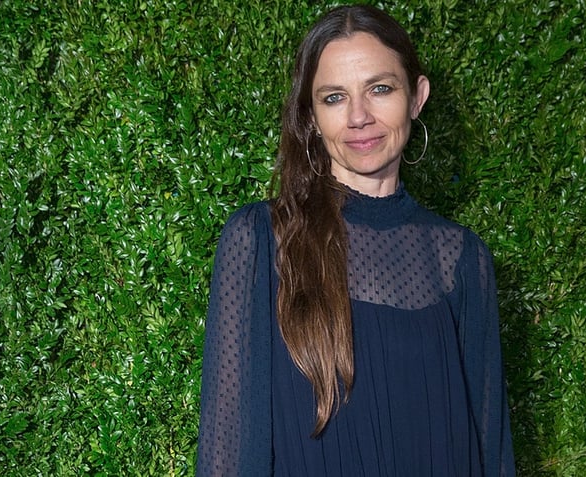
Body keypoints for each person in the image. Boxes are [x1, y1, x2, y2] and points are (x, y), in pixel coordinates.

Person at [196, 4, 515, 476]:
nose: (359, 117)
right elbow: (224, 453)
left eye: (380, 89)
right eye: (334, 97)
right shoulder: (262, 240)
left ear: (417, 96)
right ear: (311, 114)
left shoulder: (461, 258)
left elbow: (492, 450)